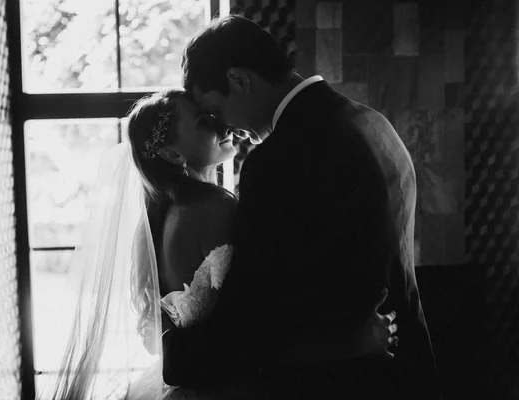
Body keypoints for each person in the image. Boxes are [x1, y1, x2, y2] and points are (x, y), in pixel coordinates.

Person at [46, 89, 398, 400]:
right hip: (234, 375)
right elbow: (262, 304)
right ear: (171, 152)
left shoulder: (170, 213)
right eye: (203, 122)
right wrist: (354, 336)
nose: (222, 126)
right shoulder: (212, 209)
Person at [162, 14, 441, 399]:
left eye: (215, 110)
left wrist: (177, 356)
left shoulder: (278, 160)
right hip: (408, 367)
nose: (224, 128)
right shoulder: (374, 123)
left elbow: (263, 304)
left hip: (343, 382)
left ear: (239, 80)